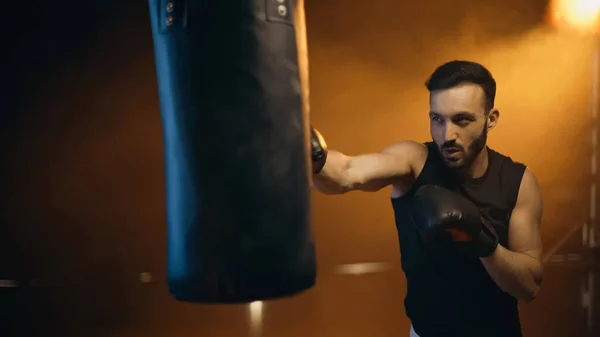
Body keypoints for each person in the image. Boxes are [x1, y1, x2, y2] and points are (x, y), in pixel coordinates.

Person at [310, 60, 544, 337]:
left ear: (490, 119)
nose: (448, 135)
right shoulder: (414, 161)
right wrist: (315, 156)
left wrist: (481, 239)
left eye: (462, 120)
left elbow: (529, 287)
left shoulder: (518, 181)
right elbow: (346, 173)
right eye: (437, 119)